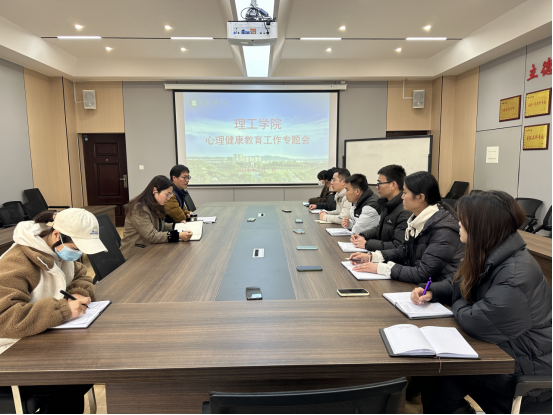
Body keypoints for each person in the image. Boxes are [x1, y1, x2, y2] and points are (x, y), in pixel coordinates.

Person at [410, 191, 552, 414]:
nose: (458, 223)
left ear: (481, 226)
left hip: (524, 368)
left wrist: (458, 302)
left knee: (438, 374)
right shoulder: (490, 252)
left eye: (463, 219)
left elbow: (478, 322)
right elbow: (461, 284)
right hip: (506, 349)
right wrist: (433, 292)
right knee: (435, 376)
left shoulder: (516, 274)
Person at [0, 208, 107, 413]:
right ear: (57, 234)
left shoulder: (57, 251)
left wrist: (78, 292)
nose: (78, 254)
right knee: (68, 383)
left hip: (41, 337)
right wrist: (62, 309)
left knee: (87, 367)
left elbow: (80, 274)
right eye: (77, 248)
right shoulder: (16, 262)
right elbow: (4, 317)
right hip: (11, 350)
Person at [349, 171, 464, 284]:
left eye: (405, 193)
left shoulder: (443, 229)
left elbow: (423, 273)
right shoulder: (419, 220)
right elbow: (403, 251)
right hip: (422, 287)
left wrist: (381, 268)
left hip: (437, 291)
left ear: (420, 197)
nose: (402, 197)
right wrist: (373, 256)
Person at [121, 175, 193, 260]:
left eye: (170, 195)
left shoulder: (155, 205)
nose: (168, 198)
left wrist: (177, 226)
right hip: (134, 255)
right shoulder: (138, 209)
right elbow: (151, 236)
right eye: (167, 194)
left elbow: (161, 226)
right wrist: (177, 235)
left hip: (149, 250)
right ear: (155, 190)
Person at [351, 165, 410, 251]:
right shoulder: (387, 204)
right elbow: (379, 229)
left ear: (393, 185)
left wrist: (367, 244)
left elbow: (398, 246)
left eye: (379, 183)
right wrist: (362, 235)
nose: (376, 187)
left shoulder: (405, 210)